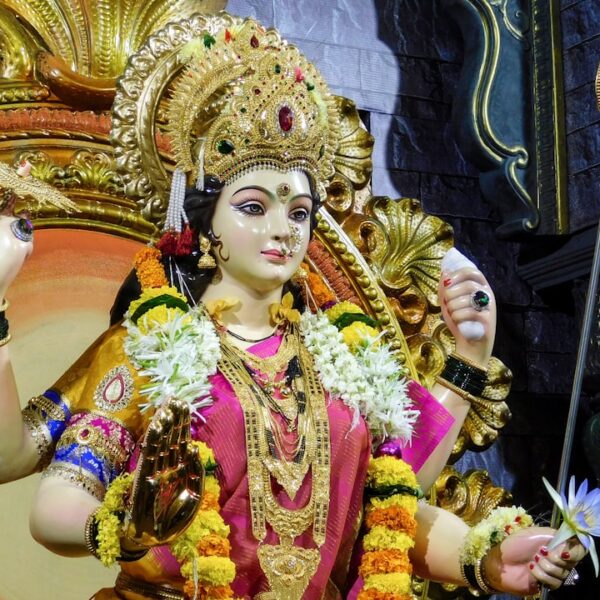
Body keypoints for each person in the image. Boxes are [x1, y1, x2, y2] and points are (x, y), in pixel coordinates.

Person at [0, 14, 587, 600]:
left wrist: (484, 557)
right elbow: (54, 498)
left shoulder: (342, 361)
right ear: (203, 222)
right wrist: (127, 530)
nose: (283, 229)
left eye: (299, 212)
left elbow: (389, 504)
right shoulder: (151, 350)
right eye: (254, 207)